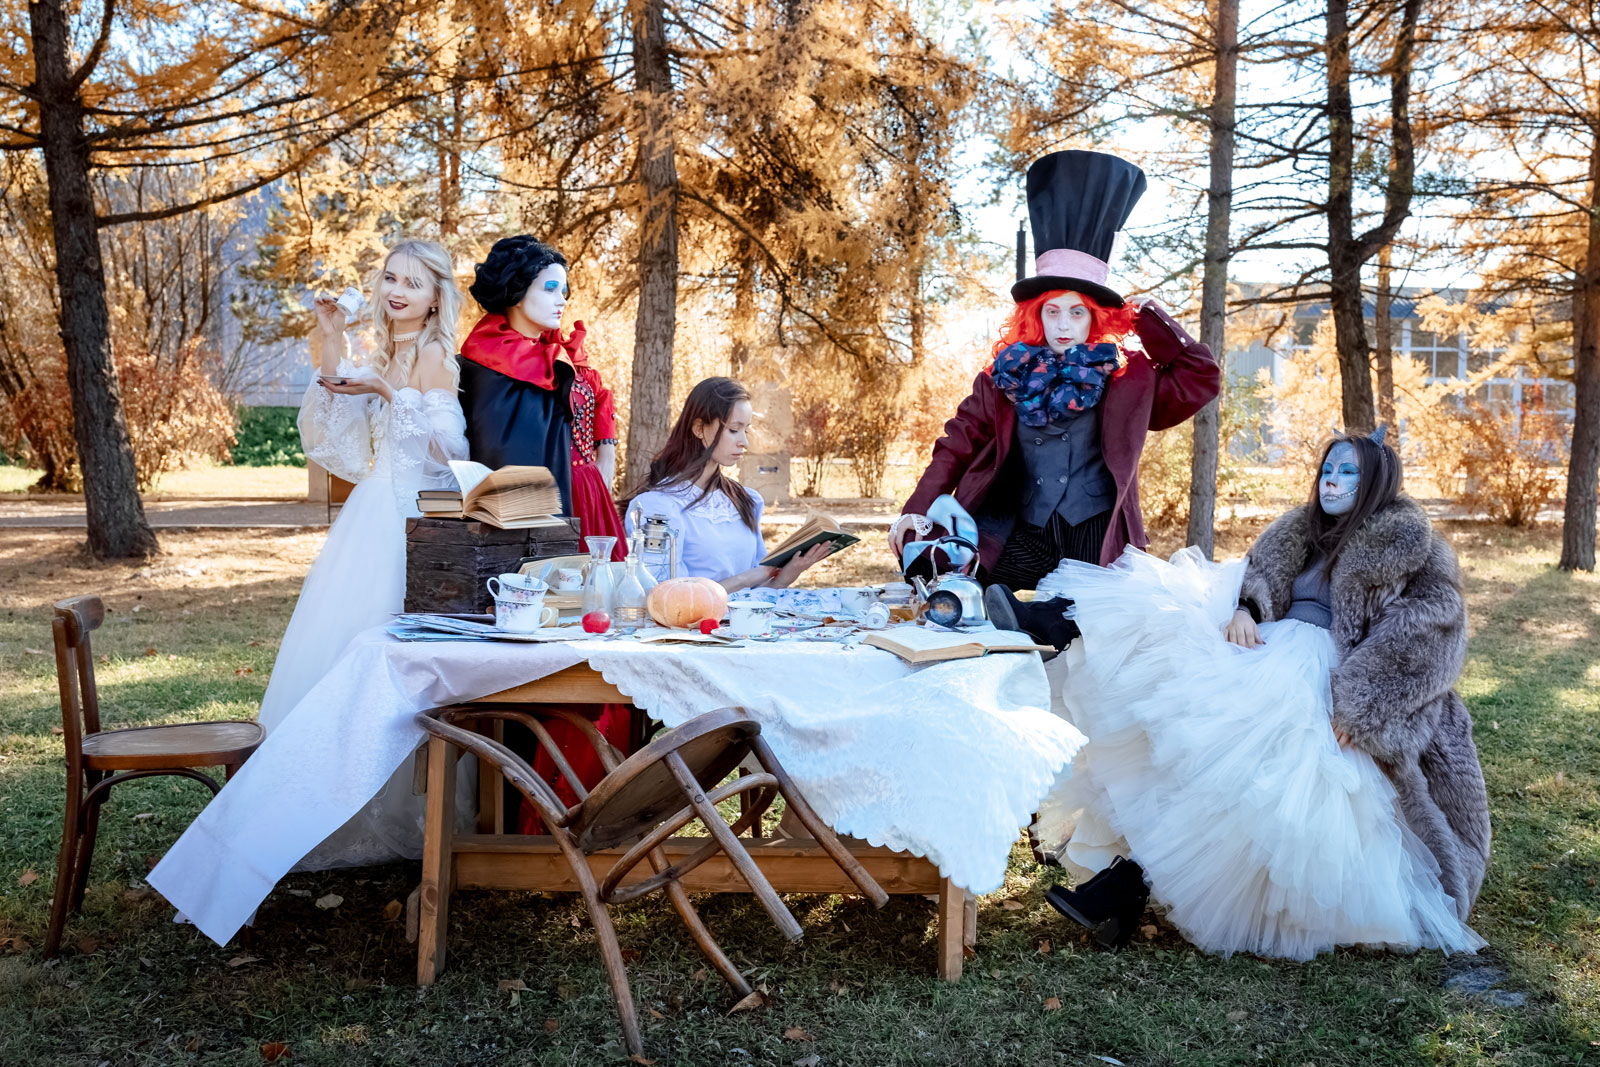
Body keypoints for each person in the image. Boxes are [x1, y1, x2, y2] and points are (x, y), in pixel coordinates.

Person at [1033, 429, 1491, 960]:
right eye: (1328, 470)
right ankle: (1055, 620)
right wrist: (1248, 609)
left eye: (1348, 473)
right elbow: (1258, 574)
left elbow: (1427, 635)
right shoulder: (1301, 530)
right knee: (1187, 724)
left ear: (1376, 485)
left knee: (1261, 765)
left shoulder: (1414, 547)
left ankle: (1128, 885)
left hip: (1334, 678)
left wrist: (1363, 708)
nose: (1333, 481)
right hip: (1270, 650)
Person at [888, 151, 1218, 638]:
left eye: (1077, 312)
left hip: (1096, 532)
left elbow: (1199, 379)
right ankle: (1026, 620)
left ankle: (1040, 620)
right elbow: (956, 444)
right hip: (1021, 528)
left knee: (1096, 616)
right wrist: (917, 507)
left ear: (1098, 317)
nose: (1063, 325)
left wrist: (1153, 320)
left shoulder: (1129, 379)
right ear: (1035, 317)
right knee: (958, 599)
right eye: (1053, 311)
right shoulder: (1002, 378)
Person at [253, 239, 471, 868]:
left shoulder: (434, 356)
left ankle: (408, 810)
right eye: (389, 279)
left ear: (436, 297)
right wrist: (331, 337)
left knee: (400, 670)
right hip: (368, 519)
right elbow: (337, 438)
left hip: (413, 524)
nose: (396, 291)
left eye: (413, 282)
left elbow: (448, 455)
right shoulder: (383, 349)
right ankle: (321, 800)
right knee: (337, 661)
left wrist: (384, 391)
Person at [461, 235, 626, 554]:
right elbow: (501, 446)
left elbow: (598, 394)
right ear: (517, 291)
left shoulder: (558, 351)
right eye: (549, 288)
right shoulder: (491, 361)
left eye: (563, 290)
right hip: (549, 497)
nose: (561, 300)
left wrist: (606, 448)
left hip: (589, 490)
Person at [626, 377, 831, 590]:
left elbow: (756, 594)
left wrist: (786, 575)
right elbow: (667, 596)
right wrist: (747, 578)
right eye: (734, 429)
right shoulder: (658, 508)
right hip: (693, 623)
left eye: (746, 430)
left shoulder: (744, 500)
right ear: (699, 428)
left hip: (746, 622)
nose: (744, 441)